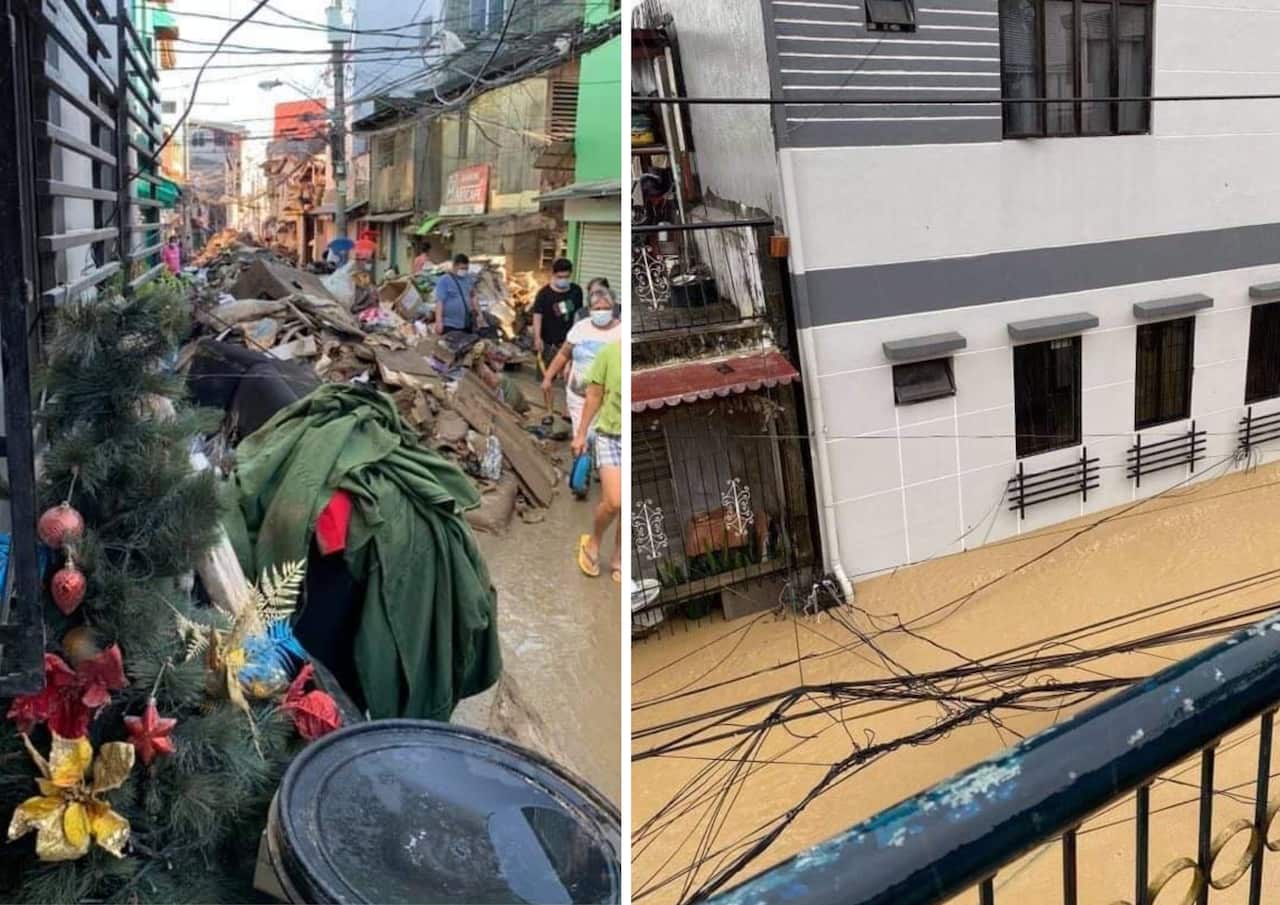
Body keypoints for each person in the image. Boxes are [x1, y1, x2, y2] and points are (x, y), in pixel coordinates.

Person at [543, 286, 622, 444]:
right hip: (578, 396)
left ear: (613, 308)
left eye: (606, 308)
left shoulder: (621, 331)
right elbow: (563, 354)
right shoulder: (581, 327)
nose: (601, 312)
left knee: (600, 441)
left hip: (607, 401)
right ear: (590, 309)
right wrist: (548, 377)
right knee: (581, 438)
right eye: (597, 308)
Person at [574, 340, 622, 583]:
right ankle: (594, 541)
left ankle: (619, 556)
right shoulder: (610, 352)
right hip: (610, 435)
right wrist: (581, 434)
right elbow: (593, 395)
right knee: (614, 501)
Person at [532, 258, 583, 415]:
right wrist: (537, 338)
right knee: (547, 379)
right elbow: (537, 316)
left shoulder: (576, 291)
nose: (563, 280)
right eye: (560, 277)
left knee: (571, 379)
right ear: (553, 275)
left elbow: (579, 315)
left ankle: (569, 412)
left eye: (566, 277)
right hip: (549, 343)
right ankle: (549, 411)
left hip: (570, 343)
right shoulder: (544, 294)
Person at [434, 253, 485, 335]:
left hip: (466, 323)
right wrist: (439, 322)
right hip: (450, 325)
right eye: (462, 268)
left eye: (466, 268)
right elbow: (439, 302)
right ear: (454, 266)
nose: (464, 271)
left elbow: (473, 296)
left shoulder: (468, 278)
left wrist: (479, 314)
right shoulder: (444, 280)